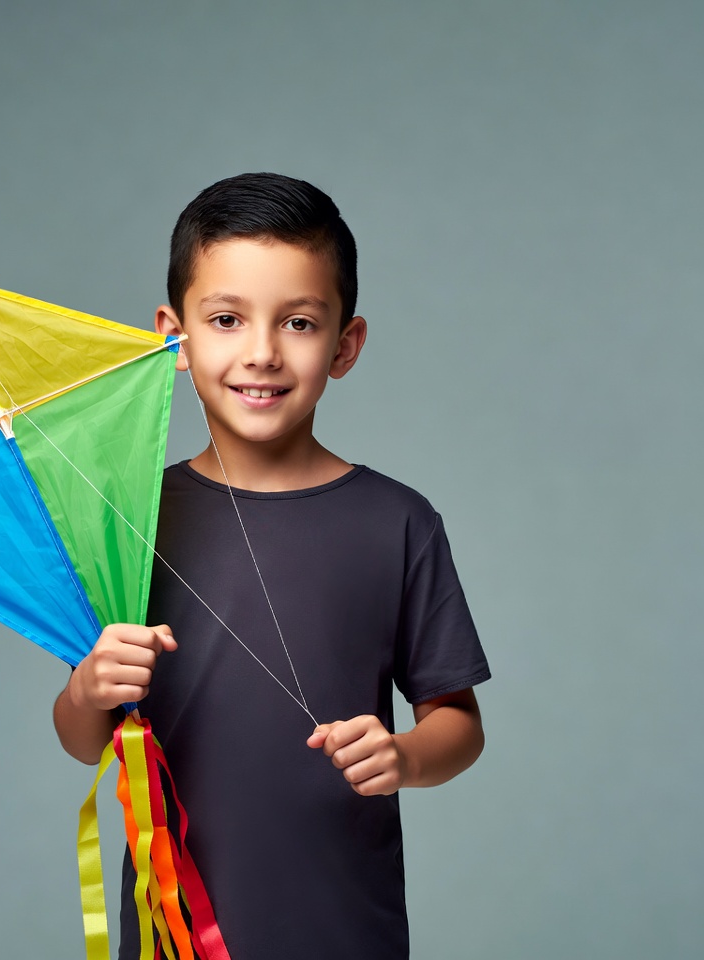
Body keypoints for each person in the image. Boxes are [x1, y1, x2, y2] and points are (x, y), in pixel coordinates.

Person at [53, 172, 491, 959]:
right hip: (173, 934)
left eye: (297, 322)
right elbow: (84, 739)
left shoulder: (399, 522)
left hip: (347, 931)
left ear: (345, 345)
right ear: (174, 337)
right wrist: (88, 687)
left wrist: (402, 756)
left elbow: (457, 725)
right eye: (225, 319)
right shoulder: (128, 520)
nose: (261, 352)